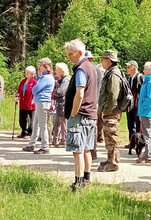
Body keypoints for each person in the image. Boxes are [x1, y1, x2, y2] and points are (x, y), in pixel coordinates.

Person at [64, 39, 98, 191]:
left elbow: (80, 93)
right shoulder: (93, 67)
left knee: (77, 150)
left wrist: (73, 112)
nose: (69, 57)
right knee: (86, 149)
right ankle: (87, 179)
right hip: (91, 115)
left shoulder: (81, 69)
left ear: (79, 53)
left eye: (70, 54)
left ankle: (78, 184)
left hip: (81, 115)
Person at [22, 58, 55, 154]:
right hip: (39, 101)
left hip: (42, 102)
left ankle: (45, 146)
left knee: (42, 125)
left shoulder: (47, 78)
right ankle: (31, 144)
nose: (39, 68)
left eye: (40, 66)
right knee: (36, 124)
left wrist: (38, 81)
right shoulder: (44, 77)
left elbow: (35, 89)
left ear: (46, 66)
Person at [97, 50, 123, 172]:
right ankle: (111, 159)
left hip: (111, 111)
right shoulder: (112, 72)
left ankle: (113, 162)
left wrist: (106, 110)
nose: (101, 62)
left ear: (109, 60)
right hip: (111, 110)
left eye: (103, 59)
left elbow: (113, 95)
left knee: (111, 137)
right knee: (109, 136)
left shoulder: (113, 74)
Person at [136, 61, 151, 164]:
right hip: (145, 111)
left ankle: (149, 155)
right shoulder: (147, 81)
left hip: (147, 112)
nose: (143, 70)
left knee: (148, 133)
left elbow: (150, 98)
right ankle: (147, 153)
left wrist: (143, 106)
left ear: (149, 70)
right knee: (145, 133)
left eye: (144, 69)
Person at [85, 50, 102, 159]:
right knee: (91, 127)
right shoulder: (95, 69)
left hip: (92, 101)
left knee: (91, 127)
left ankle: (92, 149)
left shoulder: (92, 70)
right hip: (93, 101)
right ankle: (91, 149)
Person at [124, 60, 143, 148]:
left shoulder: (140, 77)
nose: (127, 69)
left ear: (134, 68)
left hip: (137, 105)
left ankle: (139, 142)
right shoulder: (129, 78)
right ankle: (132, 142)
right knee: (130, 124)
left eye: (128, 67)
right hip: (130, 104)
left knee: (138, 124)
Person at [15, 66, 37, 138]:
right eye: (26, 72)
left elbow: (36, 92)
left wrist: (34, 100)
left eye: (28, 72)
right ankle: (23, 131)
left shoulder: (34, 82)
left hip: (31, 104)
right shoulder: (23, 81)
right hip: (23, 103)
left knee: (31, 120)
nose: (26, 73)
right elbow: (19, 91)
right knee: (22, 119)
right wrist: (17, 97)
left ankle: (29, 133)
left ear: (32, 73)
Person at [53, 62, 70, 147]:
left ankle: (64, 140)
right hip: (59, 104)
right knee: (57, 122)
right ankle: (55, 140)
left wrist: (54, 91)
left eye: (57, 70)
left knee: (63, 122)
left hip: (63, 104)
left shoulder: (66, 80)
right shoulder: (61, 80)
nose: (55, 71)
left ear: (61, 71)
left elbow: (60, 92)